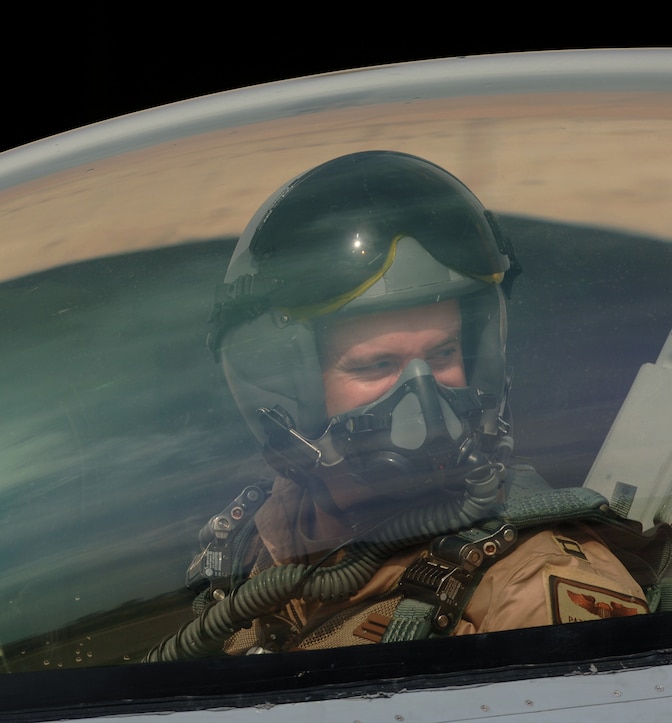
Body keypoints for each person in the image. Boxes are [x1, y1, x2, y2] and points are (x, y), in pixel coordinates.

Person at [145, 151, 668, 661]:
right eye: (375, 366)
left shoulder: (529, 598)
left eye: (443, 355)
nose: (424, 397)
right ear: (289, 392)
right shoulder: (257, 543)